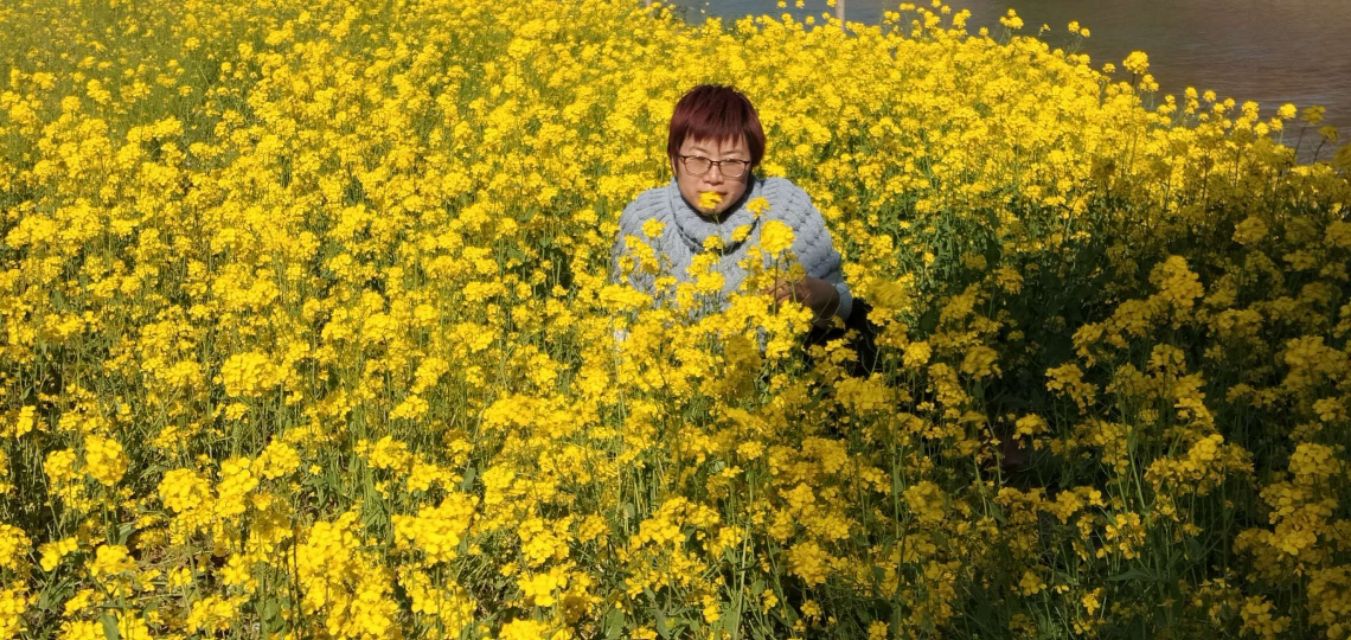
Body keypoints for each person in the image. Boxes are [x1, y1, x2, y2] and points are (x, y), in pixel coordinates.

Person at [611, 84, 876, 370]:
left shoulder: (785, 207)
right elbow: (623, 330)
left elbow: (843, 311)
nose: (713, 177)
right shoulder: (644, 217)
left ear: (753, 162)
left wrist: (813, 294)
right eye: (698, 159)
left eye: (732, 162)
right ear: (674, 160)